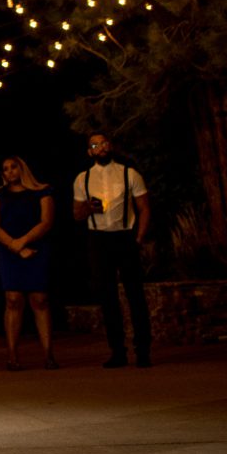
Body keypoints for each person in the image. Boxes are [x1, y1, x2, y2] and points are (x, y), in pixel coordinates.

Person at [73, 131, 152, 368]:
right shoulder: (82, 179)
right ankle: (117, 351)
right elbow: (76, 214)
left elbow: (144, 207)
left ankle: (143, 350)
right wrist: (88, 207)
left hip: (125, 237)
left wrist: (139, 237)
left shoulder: (129, 174)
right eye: (95, 145)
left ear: (111, 145)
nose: (101, 147)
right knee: (107, 297)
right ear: (90, 152)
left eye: (103, 142)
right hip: (98, 239)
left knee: (135, 295)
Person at [0, 157, 57, 370]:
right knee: (13, 299)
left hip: (36, 246)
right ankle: (12, 356)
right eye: (5, 169)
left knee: (39, 298)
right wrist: (15, 246)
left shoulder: (42, 192)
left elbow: (46, 222)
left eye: (13, 167)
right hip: (8, 250)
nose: (9, 171)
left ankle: (48, 354)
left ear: (22, 168)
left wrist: (24, 242)